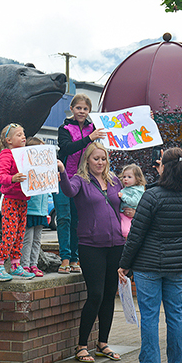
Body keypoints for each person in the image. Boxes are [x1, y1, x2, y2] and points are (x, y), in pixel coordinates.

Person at [118, 148, 182, 363]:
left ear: (165, 168)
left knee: (150, 318)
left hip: (148, 265)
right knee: (175, 317)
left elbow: (137, 235)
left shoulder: (151, 196)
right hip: (178, 264)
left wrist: (124, 264)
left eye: (161, 163)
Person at [57, 142, 124, 363]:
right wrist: (63, 173)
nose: (100, 162)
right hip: (91, 245)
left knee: (109, 295)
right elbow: (68, 191)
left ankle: (102, 343)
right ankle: (81, 345)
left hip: (115, 244)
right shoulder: (80, 180)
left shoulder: (114, 181)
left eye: (103, 159)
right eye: (96, 159)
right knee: (95, 294)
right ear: (87, 160)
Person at [55, 94, 105, 274]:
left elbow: (120, 128)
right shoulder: (64, 128)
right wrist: (90, 138)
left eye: (85, 109)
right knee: (63, 218)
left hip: (84, 180)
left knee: (77, 220)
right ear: (72, 109)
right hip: (62, 178)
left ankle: (75, 259)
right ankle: (65, 259)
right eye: (78, 108)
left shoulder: (94, 127)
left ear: (89, 111)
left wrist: (147, 120)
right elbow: (67, 148)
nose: (82, 112)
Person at [0, 123, 35, 282]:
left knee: (19, 234)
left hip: (23, 201)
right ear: (8, 140)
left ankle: (15, 265)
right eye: (19, 135)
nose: (23, 137)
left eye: (24, 134)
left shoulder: (26, 154)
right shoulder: (6, 154)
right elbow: (1, 177)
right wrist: (12, 178)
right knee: (9, 234)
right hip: (10, 201)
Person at [19, 137, 49, 277]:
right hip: (30, 210)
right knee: (28, 239)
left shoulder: (45, 170)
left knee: (37, 240)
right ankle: (24, 264)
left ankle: (34, 264)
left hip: (41, 210)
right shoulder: (26, 170)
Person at [118, 164, 146, 239]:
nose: (125, 179)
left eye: (129, 177)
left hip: (130, 215)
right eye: (124, 177)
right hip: (123, 213)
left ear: (137, 179)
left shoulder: (137, 191)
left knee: (125, 231)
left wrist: (123, 196)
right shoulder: (126, 188)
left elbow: (134, 202)